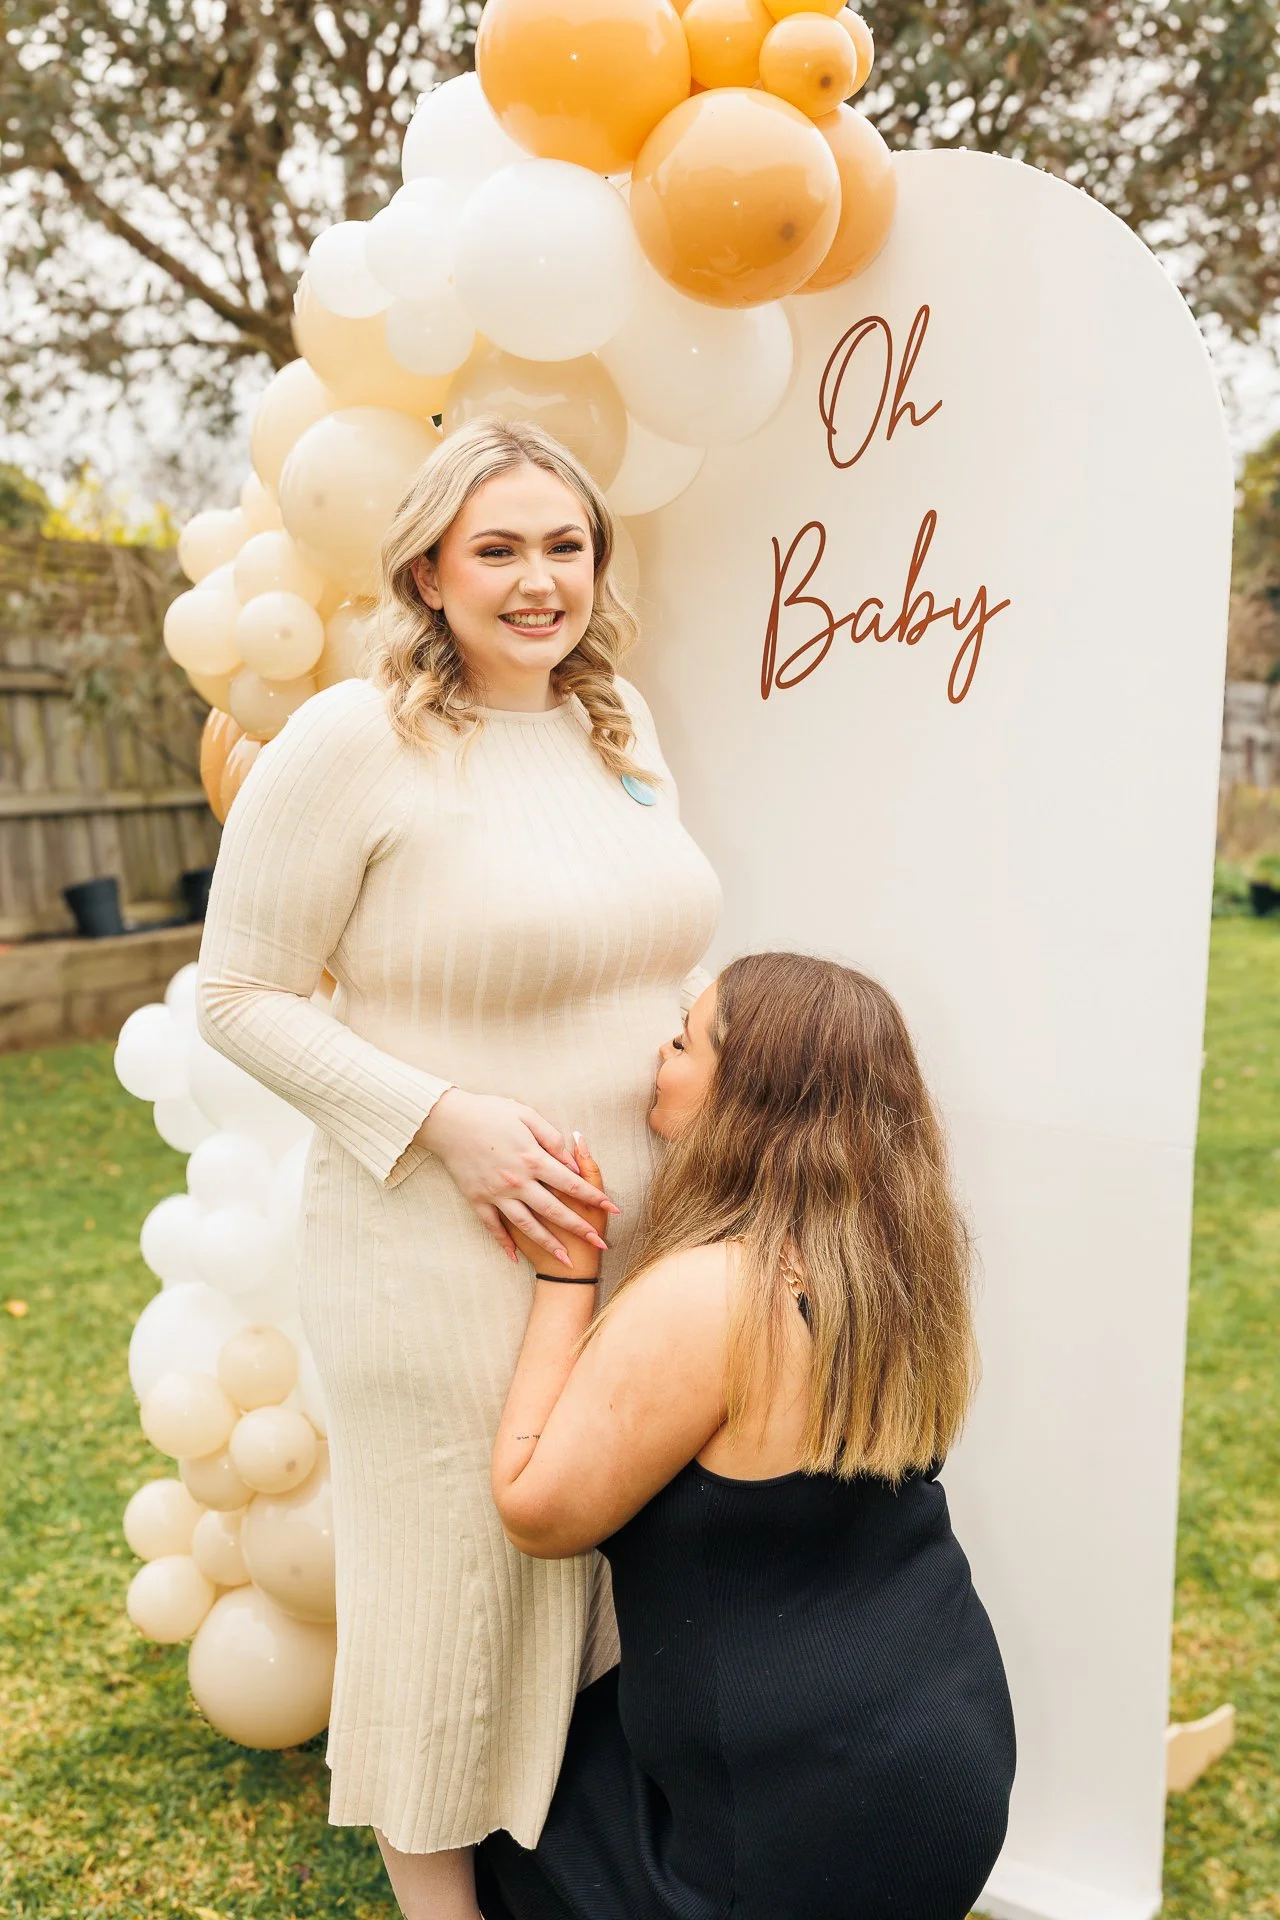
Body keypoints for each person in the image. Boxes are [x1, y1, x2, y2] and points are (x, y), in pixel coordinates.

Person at [196, 419, 721, 1920]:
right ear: (428, 568)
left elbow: (651, 959)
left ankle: (587, 1880)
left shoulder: (616, 722)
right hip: (435, 1246)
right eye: (499, 548)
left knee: (611, 1577)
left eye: (565, 545)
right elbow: (240, 995)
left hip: (629, 1239)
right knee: (453, 1592)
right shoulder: (352, 743)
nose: (539, 579)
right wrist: (449, 1121)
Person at [475, 952, 1016, 1920]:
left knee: (512, 1855)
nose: (659, 1052)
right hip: (946, 1754)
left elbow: (533, 1508)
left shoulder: (717, 1292)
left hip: (807, 1815)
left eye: (683, 1039)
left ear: (746, 1096)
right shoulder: (892, 1263)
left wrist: (564, 1278)